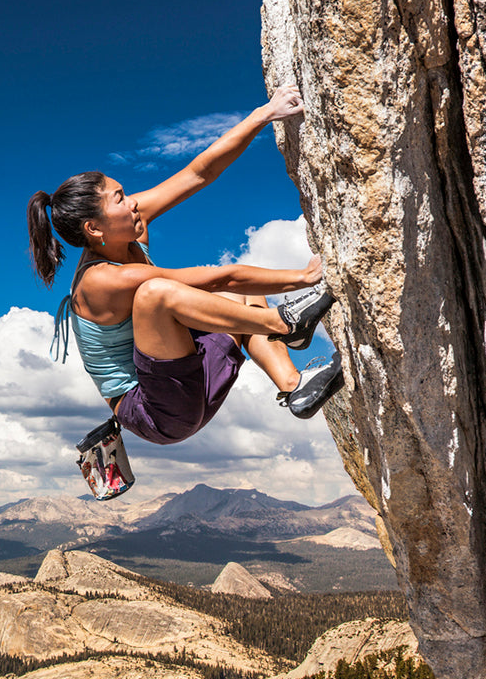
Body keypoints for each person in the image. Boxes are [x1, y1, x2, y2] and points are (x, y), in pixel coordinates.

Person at [27, 85, 343, 446]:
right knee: (155, 294)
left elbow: (198, 173)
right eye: (119, 199)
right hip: (156, 411)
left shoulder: (128, 227)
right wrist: (304, 278)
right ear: (95, 228)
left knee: (237, 297)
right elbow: (215, 278)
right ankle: (284, 324)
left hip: (188, 376)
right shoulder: (99, 282)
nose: (132, 203)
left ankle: (295, 386)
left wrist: (264, 114)